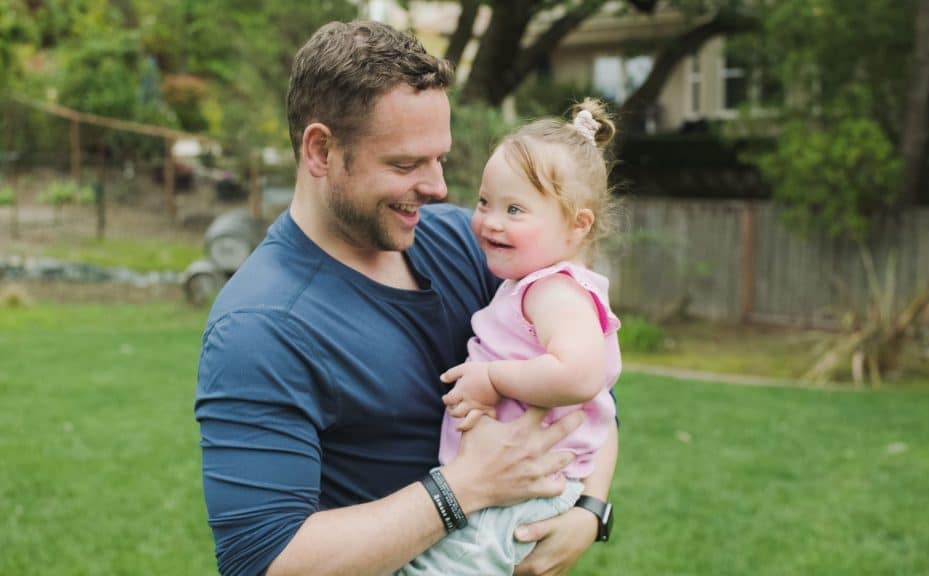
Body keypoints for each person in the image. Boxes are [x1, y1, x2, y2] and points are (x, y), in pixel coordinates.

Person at [194, 20, 617, 576]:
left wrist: (590, 510)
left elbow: (585, 380)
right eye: (405, 164)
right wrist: (463, 488)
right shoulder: (260, 327)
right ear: (321, 150)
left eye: (439, 158)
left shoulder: (466, 244)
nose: (438, 186)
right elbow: (263, 561)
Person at [398, 99, 622, 576]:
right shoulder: (530, 283)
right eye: (485, 202)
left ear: (577, 225)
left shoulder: (554, 292)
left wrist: (493, 379)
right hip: (509, 484)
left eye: (515, 209)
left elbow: (583, 376)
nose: (490, 221)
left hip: (521, 491)